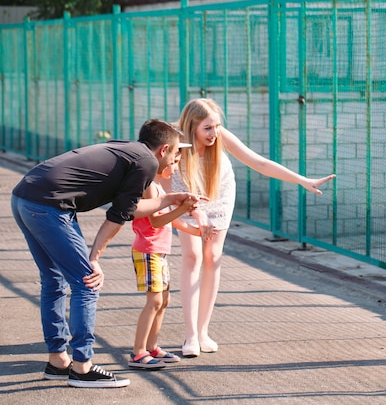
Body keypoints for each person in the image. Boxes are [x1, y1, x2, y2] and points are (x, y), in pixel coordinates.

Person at [11, 119, 205, 388]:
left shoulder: (129, 150)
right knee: (87, 283)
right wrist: (95, 258)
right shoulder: (148, 163)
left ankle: (58, 361)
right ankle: (82, 367)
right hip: (49, 206)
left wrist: (170, 199)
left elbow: (129, 207)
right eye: (174, 154)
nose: (175, 159)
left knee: (54, 281)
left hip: (25, 197)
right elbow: (118, 216)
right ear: (163, 151)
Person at [166, 98, 336, 357]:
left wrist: (302, 180)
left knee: (213, 257)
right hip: (185, 194)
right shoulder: (177, 140)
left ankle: (203, 331)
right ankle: (190, 335)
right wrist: (185, 216)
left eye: (217, 126)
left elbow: (259, 163)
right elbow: (159, 180)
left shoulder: (220, 136)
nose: (214, 133)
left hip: (218, 193)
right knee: (192, 257)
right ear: (192, 127)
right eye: (207, 128)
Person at [129, 145, 207, 369]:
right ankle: (138, 352)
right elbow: (155, 221)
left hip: (159, 251)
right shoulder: (150, 189)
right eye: (173, 162)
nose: (175, 167)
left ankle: (152, 347)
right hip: (148, 249)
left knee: (163, 301)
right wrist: (183, 208)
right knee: (154, 301)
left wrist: (195, 231)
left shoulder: (160, 190)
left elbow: (169, 219)